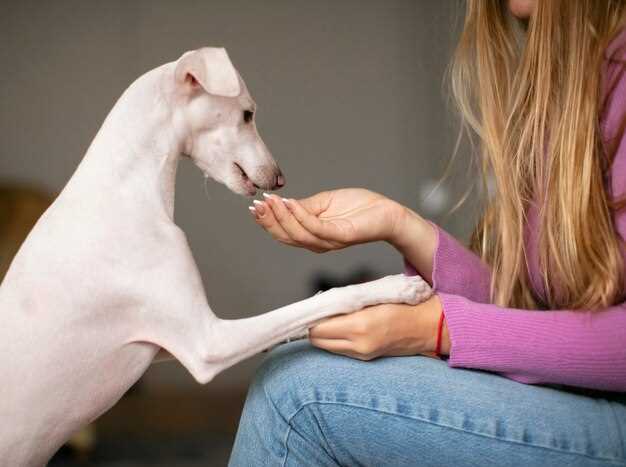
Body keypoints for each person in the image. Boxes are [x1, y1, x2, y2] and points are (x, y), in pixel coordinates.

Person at [229, 1, 626, 465]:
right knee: (291, 371)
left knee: (297, 397)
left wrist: (439, 329)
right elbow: (537, 318)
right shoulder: (571, 86)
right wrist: (398, 224)